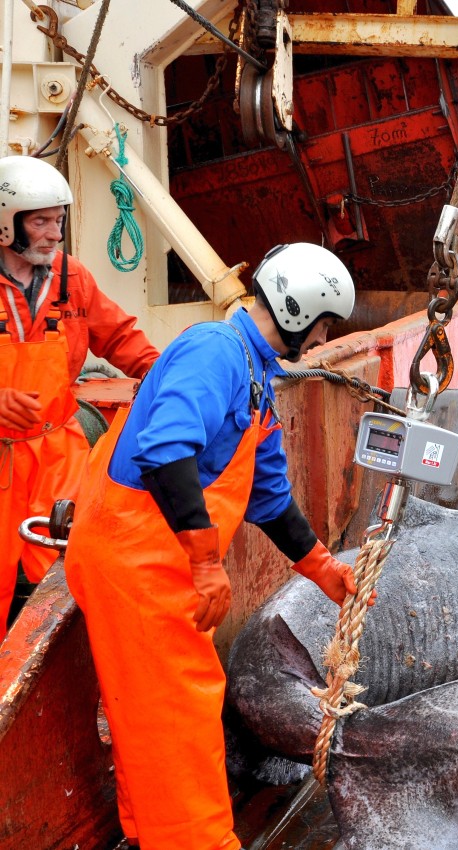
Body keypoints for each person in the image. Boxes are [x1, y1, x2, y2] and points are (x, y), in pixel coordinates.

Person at [63, 242, 365, 850]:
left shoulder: (257, 378)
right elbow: (165, 449)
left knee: (152, 716)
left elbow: (271, 497)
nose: (323, 334)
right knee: (180, 716)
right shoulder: (215, 353)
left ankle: (151, 833)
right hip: (136, 562)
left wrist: (324, 570)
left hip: (158, 562)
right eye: (325, 323)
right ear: (301, 312)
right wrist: (205, 562)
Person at [0, 155, 159, 640]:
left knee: (71, 577)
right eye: (40, 221)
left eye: (59, 220)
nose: (54, 233)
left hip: (60, 452)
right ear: (7, 224)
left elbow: (124, 340)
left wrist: (172, 381)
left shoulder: (74, 279)